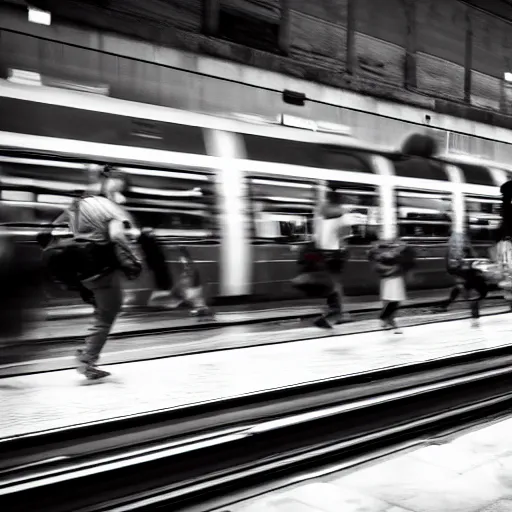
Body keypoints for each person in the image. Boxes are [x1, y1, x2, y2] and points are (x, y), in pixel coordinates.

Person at [49, 166, 141, 380]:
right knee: (107, 315)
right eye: (120, 186)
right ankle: (87, 361)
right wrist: (133, 258)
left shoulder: (79, 204)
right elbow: (117, 236)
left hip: (82, 269)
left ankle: (86, 354)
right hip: (103, 269)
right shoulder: (112, 207)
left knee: (102, 311)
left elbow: (56, 227)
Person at [312, 186, 350, 329]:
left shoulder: (320, 212)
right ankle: (337, 313)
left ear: (327, 198)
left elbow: (316, 233)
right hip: (336, 253)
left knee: (328, 283)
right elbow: (344, 237)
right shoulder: (342, 214)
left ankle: (334, 311)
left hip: (321, 252)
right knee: (335, 283)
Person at [439, 227, 488, 324]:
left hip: (467, 274)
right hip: (465, 274)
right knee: (470, 290)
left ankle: (447, 304)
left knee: (465, 289)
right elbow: (453, 263)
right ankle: (474, 314)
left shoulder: (462, 247)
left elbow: (473, 258)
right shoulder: (456, 248)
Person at [369, 237, 415, 333]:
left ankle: (387, 321)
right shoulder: (392, 251)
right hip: (393, 276)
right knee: (394, 300)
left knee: (391, 299)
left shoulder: (382, 249)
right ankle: (387, 320)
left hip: (390, 277)